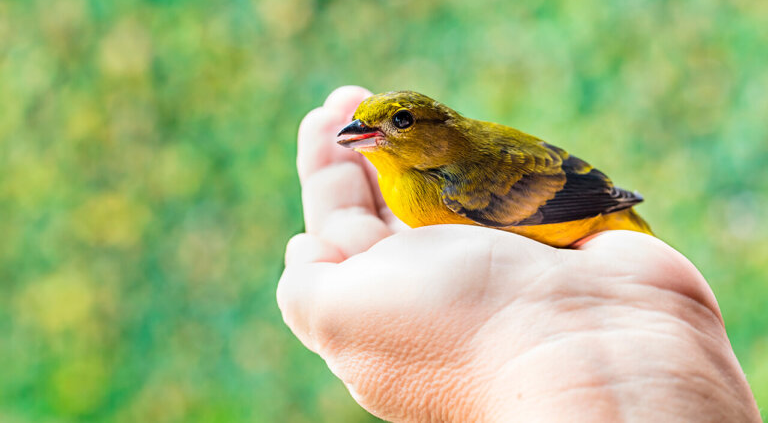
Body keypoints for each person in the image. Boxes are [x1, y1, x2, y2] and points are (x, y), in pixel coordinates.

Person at [277, 86, 761, 422]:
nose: (367, 131)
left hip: (582, 211)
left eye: (399, 122)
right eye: (367, 122)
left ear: (436, 129)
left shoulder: (459, 184)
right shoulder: (403, 185)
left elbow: (560, 191)